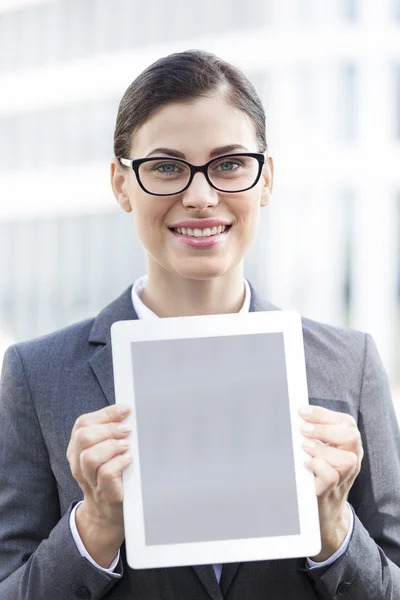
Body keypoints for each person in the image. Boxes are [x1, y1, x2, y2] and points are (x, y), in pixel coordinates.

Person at [0, 50, 399, 600]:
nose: (201, 197)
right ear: (121, 184)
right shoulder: (36, 375)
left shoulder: (349, 364)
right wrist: (93, 530)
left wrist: (333, 531)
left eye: (230, 163)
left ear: (267, 179)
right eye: (166, 167)